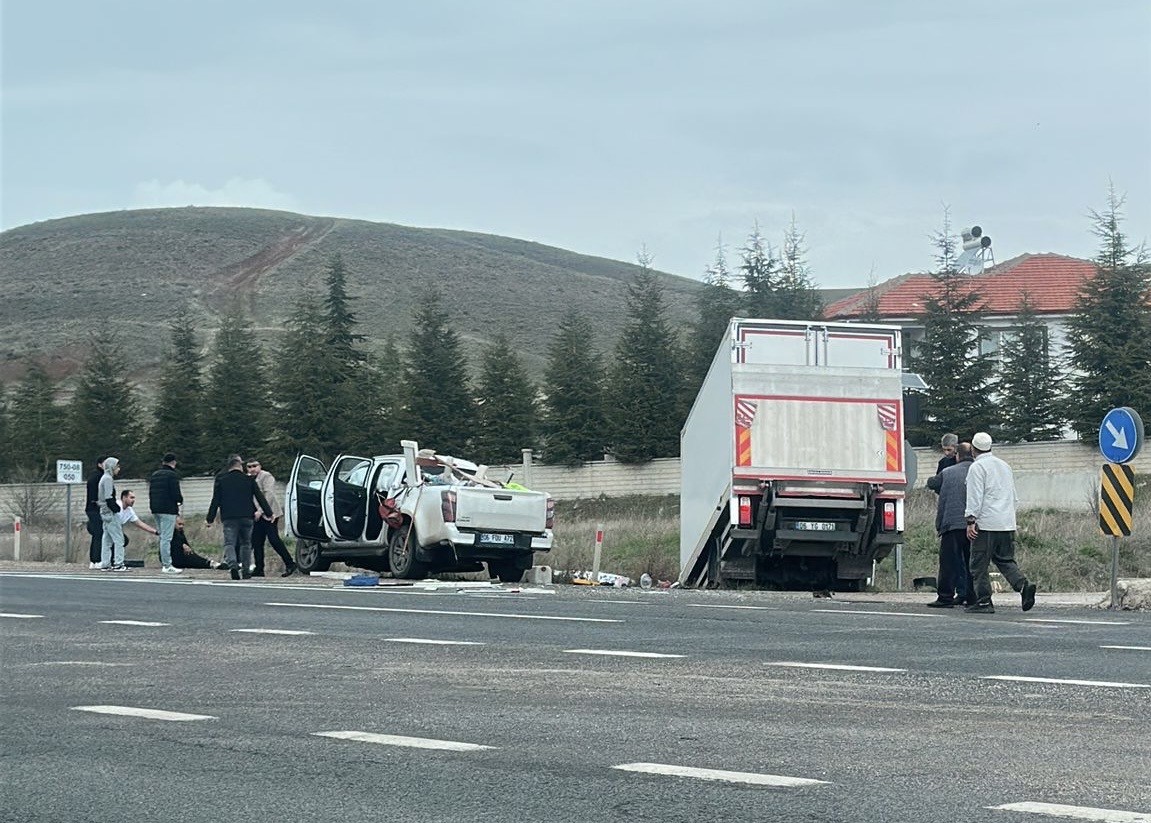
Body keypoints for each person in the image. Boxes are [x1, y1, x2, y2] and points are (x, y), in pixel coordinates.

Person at [964, 432, 1037, 614]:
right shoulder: (1004, 466)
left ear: (973, 449)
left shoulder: (977, 467)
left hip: (986, 524)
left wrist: (971, 520)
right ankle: (1022, 585)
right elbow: (1013, 496)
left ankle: (983, 601)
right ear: (990, 447)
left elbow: (975, 496)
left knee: (979, 564)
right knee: (1005, 560)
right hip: (1006, 522)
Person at [206, 455, 273, 580]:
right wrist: (269, 513)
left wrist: (210, 518)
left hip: (229, 517)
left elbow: (215, 500)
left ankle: (233, 565)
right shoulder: (248, 479)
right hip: (247, 516)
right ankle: (246, 570)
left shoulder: (221, 479)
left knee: (229, 543)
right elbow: (260, 497)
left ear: (229, 467)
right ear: (240, 466)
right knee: (246, 543)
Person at [926, 442, 974, 608]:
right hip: (975, 525)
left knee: (949, 563)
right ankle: (972, 598)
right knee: (972, 563)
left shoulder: (948, 472)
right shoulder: (980, 471)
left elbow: (932, 483)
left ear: (957, 456)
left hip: (952, 523)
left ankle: (945, 597)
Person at [247, 458, 297, 577]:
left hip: (270, 513)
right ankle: (259, 568)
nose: (252, 469)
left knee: (273, 539)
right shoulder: (248, 478)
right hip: (256, 514)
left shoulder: (266, 476)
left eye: (254, 466)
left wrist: (261, 511)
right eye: (249, 467)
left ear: (260, 466)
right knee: (257, 541)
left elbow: (268, 495)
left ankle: (290, 563)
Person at [115, 489, 178, 573]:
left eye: (134, 498)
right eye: (131, 497)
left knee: (122, 540)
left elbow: (139, 523)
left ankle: (111, 562)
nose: (133, 500)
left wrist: (155, 532)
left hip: (116, 528)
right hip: (108, 525)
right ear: (124, 498)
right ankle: (117, 563)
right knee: (119, 540)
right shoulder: (117, 505)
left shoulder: (129, 511)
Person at [148, 452, 184, 574]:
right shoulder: (172, 475)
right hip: (168, 509)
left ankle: (164, 561)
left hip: (155, 508)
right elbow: (175, 493)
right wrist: (180, 500)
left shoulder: (155, 475)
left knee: (162, 536)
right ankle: (167, 565)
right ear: (173, 462)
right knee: (167, 538)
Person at [97, 457, 128, 571]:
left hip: (104, 512)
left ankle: (105, 563)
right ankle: (119, 563)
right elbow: (109, 497)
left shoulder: (104, 478)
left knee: (107, 539)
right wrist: (116, 509)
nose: (118, 469)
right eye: (117, 466)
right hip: (109, 512)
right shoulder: (108, 479)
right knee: (119, 538)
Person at [84, 457, 106, 570]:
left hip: (91, 508)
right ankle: (97, 559)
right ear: (99, 464)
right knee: (99, 534)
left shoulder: (95, 476)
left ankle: (94, 560)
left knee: (97, 535)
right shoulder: (100, 477)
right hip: (96, 508)